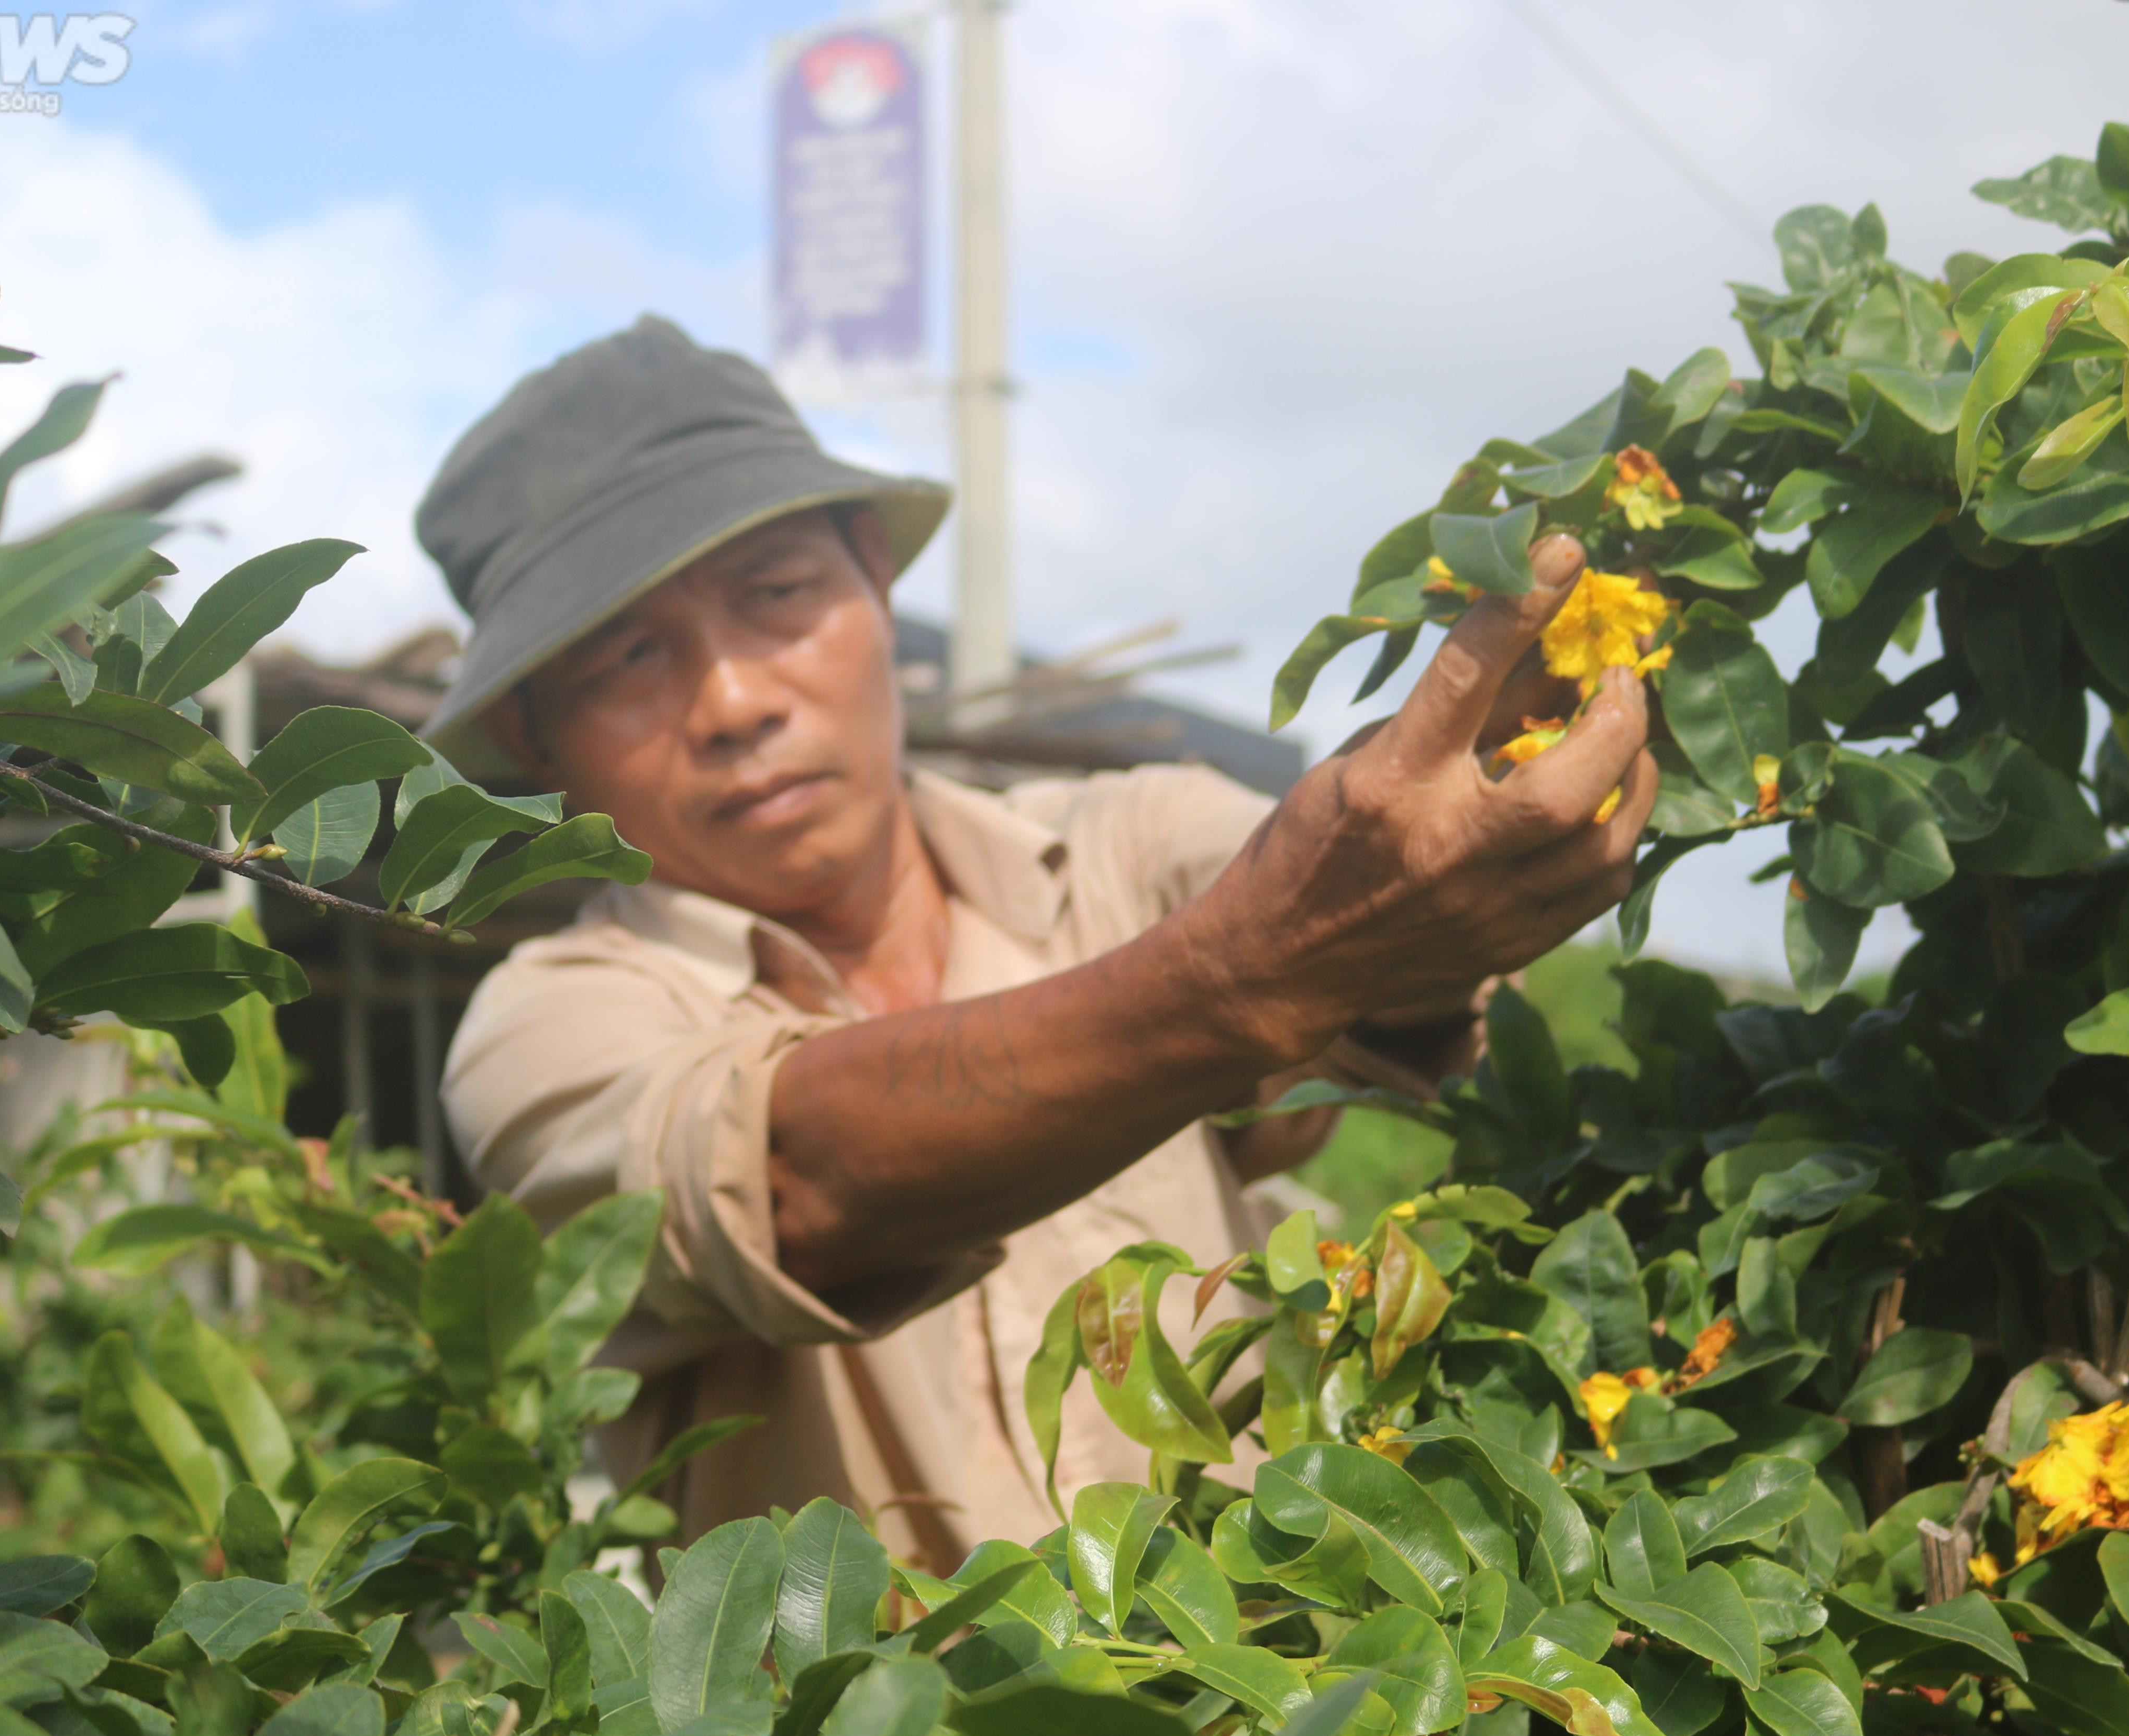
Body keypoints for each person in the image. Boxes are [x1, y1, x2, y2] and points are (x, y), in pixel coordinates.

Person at [419, 316, 1654, 1568]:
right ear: (532, 734)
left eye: (775, 595)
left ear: (872, 573)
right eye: (630, 655)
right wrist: (1254, 974)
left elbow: (1341, 955)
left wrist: (1473, 799)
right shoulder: (548, 1028)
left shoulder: (1118, 845)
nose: (734, 703)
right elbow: (796, 1181)